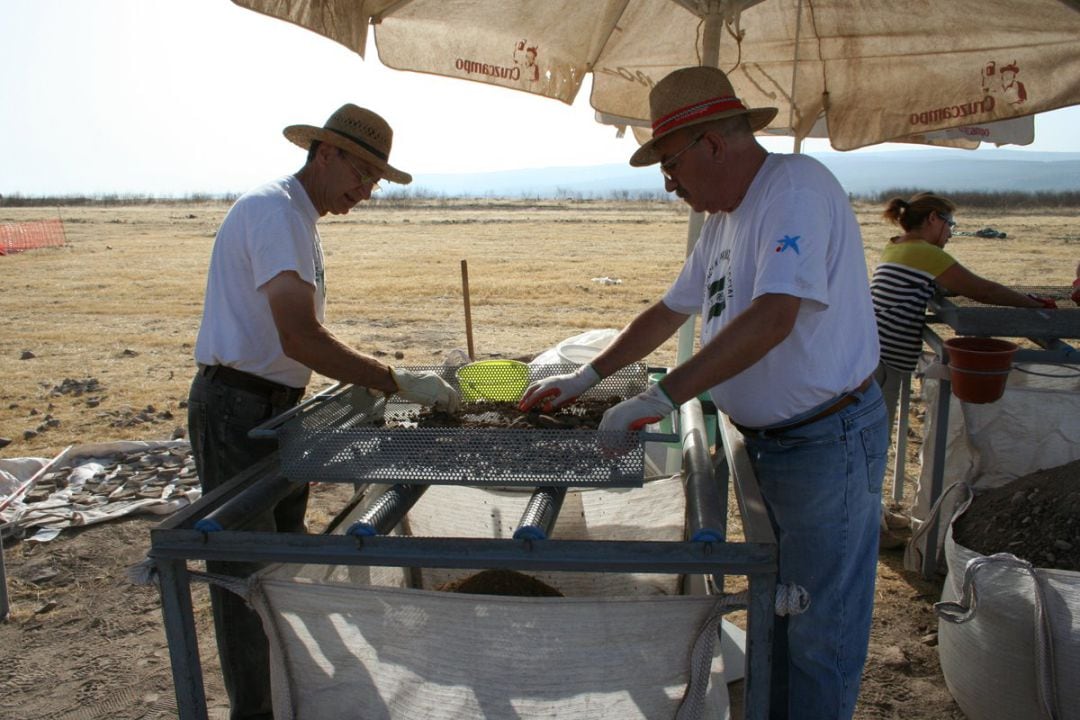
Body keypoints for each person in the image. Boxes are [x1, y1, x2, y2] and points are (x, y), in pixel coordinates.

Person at [519, 66, 888, 720]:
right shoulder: (723, 219)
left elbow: (775, 316)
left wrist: (663, 400)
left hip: (824, 442)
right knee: (782, 606)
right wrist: (586, 378)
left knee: (820, 626)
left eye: (670, 164)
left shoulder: (793, 190)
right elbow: (667, 313)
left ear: (714, 145)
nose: (668, 182)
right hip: (774, 444)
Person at [187, 103, 460, 720]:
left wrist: (359, 382)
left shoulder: (296, 218)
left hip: (270, 405)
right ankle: (258, 709)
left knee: (283, 560)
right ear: (326, 152)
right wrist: (391, 380)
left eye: (375, 183)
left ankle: (294, 691)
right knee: (247, 578)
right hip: (236, 407)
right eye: (361, 174)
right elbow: (300, 338)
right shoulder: (278, 213)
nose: (365, 192)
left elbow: (296, 344)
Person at [870, 192, 1055, 439]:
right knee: (873, 439)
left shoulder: (896, 245)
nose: (951, 233)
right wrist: (1035, 304)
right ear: (934, 218)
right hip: (887, 362)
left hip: (875, 353)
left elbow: (933, 282)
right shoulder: (925, 253)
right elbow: (985, 291)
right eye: (951, 224)